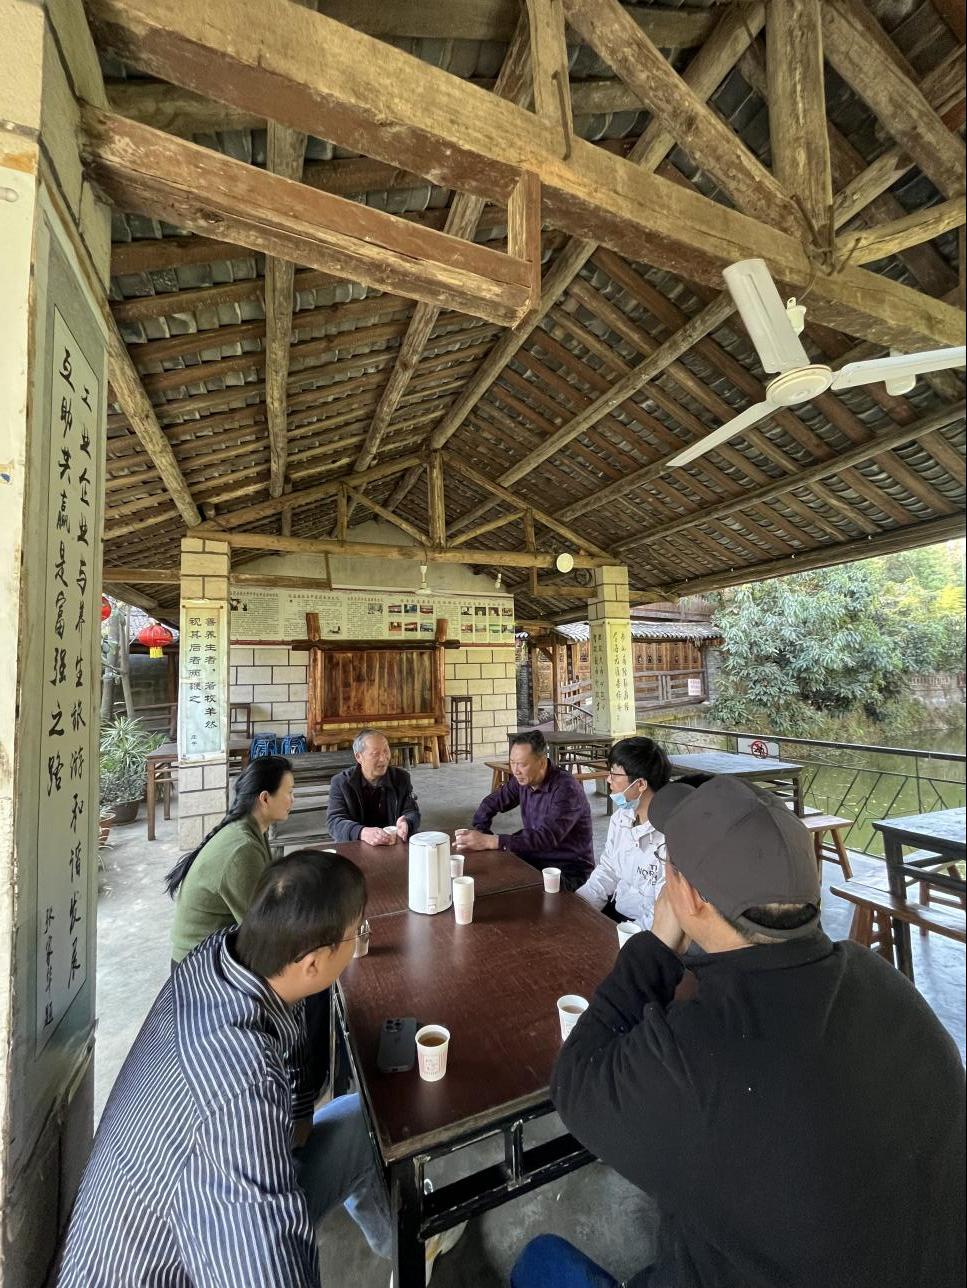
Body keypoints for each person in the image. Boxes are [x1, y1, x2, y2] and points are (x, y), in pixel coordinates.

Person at [513, 775, 966, 1287]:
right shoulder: (884, 980)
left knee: (539, 1261)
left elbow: (577, 1081)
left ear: (688, 896)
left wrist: (655, 947)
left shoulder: (694, 1051)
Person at [60, 851, 464, 1286]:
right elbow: (268, 1271)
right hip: (171, 1269)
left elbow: (293, 1036)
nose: (359, 940)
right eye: (355, 934)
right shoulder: (242, 1092)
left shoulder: (220, 957)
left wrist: (298, 1118)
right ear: (313, 963)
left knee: (359, 1122)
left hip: (163, 1211)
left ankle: (409, 1245)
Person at [167, 753, 294, 966]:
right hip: (199, 966)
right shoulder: (242, 849)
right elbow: (264, 930)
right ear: (265, 798)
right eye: (289, 792)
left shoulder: (251, 828)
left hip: (216, 951)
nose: (293, 799)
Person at [455, 730, 593, 889]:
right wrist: (481, 831)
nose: (515, 770)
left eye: (522, 764)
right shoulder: (523, 780)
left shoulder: (566, 789)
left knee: (506, 888)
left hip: (567, 870)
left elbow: (546, 838)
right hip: (535, 857)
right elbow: (491, 803)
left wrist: (490, 841)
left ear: (542, 763)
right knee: (483, 874)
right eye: (512, 762)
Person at [575, 737, 671, 926]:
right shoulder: (621, 818)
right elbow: (608, 870)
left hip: (646, 926)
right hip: (617, 910)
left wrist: (627, 935)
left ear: (640, 784)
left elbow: (662, 910)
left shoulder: (668, 836)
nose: (608, 779)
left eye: (614, 774)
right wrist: (579, 906)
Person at [327, 728, 420, 845]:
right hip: (357, 845)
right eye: (375, 754)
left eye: (386, 751)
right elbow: (334, 822)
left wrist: (407, 822)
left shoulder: (400, 778)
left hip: (393, 843)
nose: (383, 758)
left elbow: (411, 811)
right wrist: (361, 832)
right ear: (359, 757)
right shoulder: (341, 783)